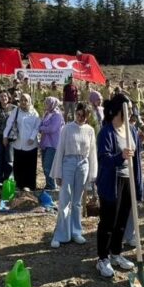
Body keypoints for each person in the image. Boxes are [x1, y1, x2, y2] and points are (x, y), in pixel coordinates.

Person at [95, 94, 144, 278]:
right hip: (111, 183)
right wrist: (120, 156)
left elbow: (137, 159)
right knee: (108, 221)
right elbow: (103, 159)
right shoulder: (106, 132)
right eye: (128, 108)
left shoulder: (131, 130)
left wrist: (138, 185)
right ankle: (102, 258)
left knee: (122, 221)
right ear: (118, 111)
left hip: (128, 180)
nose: (131, 112)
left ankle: (116, 253)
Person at [50, 103, 97, 248]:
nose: (80, 117)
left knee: (77, 201)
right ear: (75, 113)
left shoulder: (90, 130)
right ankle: (61, 234)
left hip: (83, 164)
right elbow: (60, 150)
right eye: (78, 114)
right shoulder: (67, 128)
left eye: (84, 115)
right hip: (68, 163)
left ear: (87, 116)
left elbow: (92, 153)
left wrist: (93, 174)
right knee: (65, 199)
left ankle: (76, 231)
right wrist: (58, 172)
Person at [4, 93, 41, 191]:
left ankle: (29, 186)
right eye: (22, 100)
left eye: (26, 100)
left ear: (29, 102)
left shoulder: (34, 113)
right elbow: (9, 123)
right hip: (18, 143)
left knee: (30, 166)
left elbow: (37, 126)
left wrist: (32, 137)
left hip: (30, 145)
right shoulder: (16, 111)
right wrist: (5, 136)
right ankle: (19, 185)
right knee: (18, 166)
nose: (23, 102)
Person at [39, 97, 65, 191]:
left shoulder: (57, 115)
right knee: (45, 165)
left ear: (52, 104)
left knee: (48, 165)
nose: (45, 105)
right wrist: (42, 127)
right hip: (45, 143)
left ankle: (52, 186)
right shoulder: (47, 114)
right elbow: (40, 125)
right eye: (45, 103)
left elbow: (52, 129)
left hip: (53, 144)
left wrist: (42, 128)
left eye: (47, 103)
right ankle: (49, 184)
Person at [0, 90, 16, 185]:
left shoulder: (14, 109)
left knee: (9, 160)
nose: (3, 98)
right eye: (1, 96)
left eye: (5, 96)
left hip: (11, 138)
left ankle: (8, 183)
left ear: (8, 97)